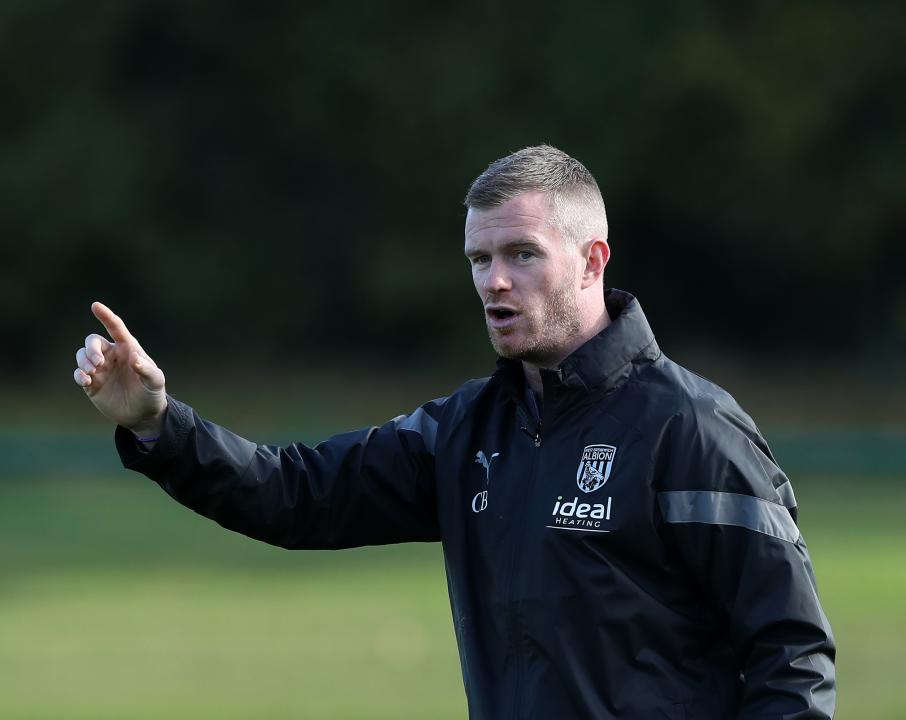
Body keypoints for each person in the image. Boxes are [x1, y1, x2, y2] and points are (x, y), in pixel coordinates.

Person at [74, 145, 836, 719]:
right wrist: (160, 426)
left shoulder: (690, 428)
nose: (493, 281)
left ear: (590, 260)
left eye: (521, 255)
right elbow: (294, 493)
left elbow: (792, 657)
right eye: (479, 258)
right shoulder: (468, 432)